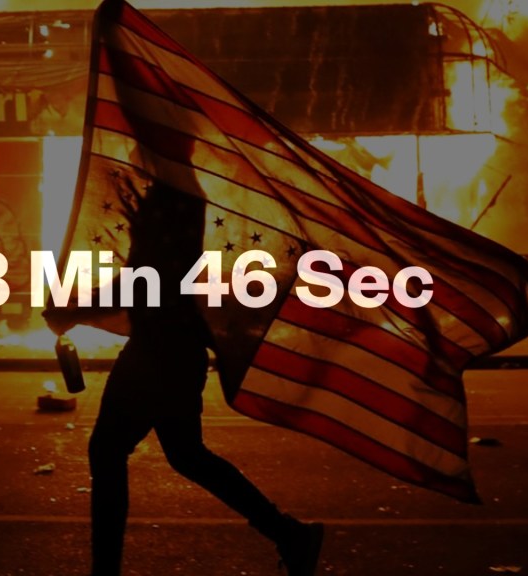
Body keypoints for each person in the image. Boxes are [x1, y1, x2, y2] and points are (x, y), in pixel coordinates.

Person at [45, 176, 323, 576]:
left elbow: (144, 282)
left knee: (109, 452)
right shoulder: (177, 192)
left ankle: (105, 572)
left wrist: (75, 311)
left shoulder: (172, 195)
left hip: (158, 352)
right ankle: (289, 535)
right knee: (187, 456)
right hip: (173, 349)